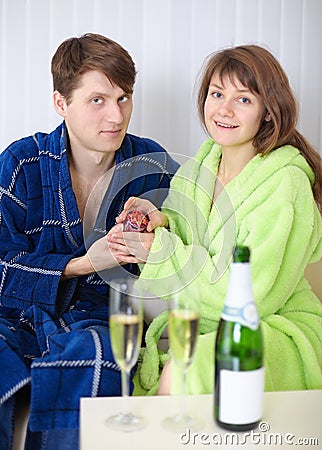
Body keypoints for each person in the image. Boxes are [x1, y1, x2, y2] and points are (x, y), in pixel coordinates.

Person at [107, 44, 322, 396]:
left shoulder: (286, 183)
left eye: (243, 99)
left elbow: (251, 295)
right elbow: (188, 234)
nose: (224, 108)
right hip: (205, 325)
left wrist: (160, 250)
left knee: (182, 374)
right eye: (217, 93)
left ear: (268, 112)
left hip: (268, 327)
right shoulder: (202, 165)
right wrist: (157, 221)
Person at [0, 33, 179, 449]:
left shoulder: (151, 164)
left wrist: (160, 227)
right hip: (14, 316)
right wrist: (81, 263)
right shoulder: (20, 163)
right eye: (97, 100)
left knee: (99, 353)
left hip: (96, 318)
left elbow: (187, 247)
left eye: (123, 98)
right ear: (61, 103)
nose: (115, 116)